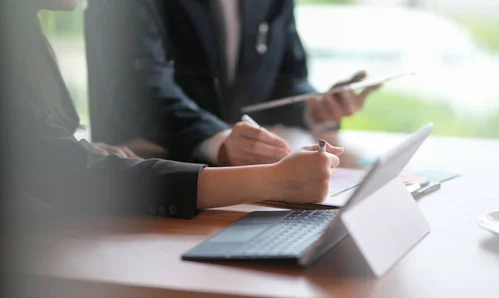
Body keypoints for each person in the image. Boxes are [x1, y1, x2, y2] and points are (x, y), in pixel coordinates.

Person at [1, 0, 343, 220]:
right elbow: (65, 170)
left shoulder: (23, 32)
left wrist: (77, 152)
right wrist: (273, 180)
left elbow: (44, 148)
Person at [85, 0, 379, 166]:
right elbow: (139, 91)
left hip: (239, 167)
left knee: (355, 168)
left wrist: (315, 109)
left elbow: (287, 77)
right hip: (148, 164)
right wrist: (219, 141)